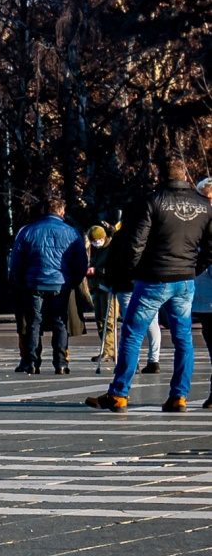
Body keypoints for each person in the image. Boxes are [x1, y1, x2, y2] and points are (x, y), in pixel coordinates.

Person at [91, 161, 208, 413]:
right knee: (183, 338)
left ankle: (119, 393)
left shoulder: (153, 201)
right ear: (185, 176)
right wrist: (194, 268)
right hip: (185, 278)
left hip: (154, 277)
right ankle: (179, 395)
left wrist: (134, 271)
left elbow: (136, 243)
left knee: (132, 334)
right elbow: (209, 247)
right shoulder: (203, 205)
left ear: (160, 176)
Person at [6, 198, 83, 376]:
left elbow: (16, 261)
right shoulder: (71, 232)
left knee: (34, 323)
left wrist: (20, 281)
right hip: (60, 282)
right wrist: (73, 281)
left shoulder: (27, 231)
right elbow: (80, 262)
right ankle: (61, 363)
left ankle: (32, 363)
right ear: (61, 212)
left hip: (34, 282)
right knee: (60, 323)